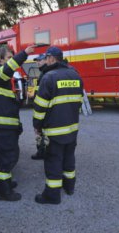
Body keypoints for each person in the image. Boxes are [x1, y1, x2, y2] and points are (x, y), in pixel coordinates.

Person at [32, 46, 83, 205]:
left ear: (52, 59)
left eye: (46, 58)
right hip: (72, 128)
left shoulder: (48, 77)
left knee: (53, 160)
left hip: (54, 130)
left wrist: (37, 126)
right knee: (69, 158)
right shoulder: (75, 75)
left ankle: (52, 196)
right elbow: (78, 103)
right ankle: (69, 187)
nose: (45, 61)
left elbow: (40, 107)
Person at [0, 45, 35, 201]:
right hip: (3, 125)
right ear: (0, 59)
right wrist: (24, 54)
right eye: (8, 58)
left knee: (8, 156)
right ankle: (3, 192)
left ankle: (4, 182)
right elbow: (8, 69)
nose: (11, 61)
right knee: (8, 157)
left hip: (6, 124)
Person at [31, 53, 47, 160]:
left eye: (40, 60)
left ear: (46, 60)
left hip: (42, 109)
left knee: (39, 131)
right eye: (37, 61)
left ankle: (41, 152)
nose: (38, 62)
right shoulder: (43, 72)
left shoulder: (45, 73)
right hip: (42, 107)